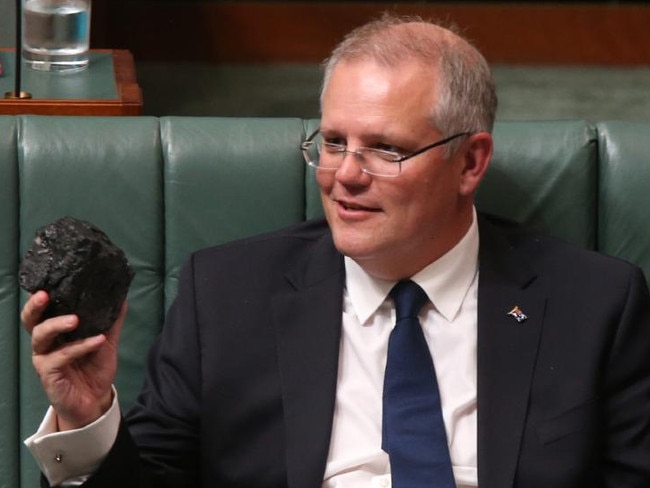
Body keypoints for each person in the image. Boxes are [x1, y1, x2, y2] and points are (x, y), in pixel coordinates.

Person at [21, 14, 650, 488]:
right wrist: (88, 419)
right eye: (333, 141)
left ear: (471, 161)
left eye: (384, 149)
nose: (343, 175)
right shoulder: (226, 293)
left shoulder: (595, 304)